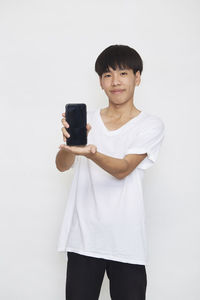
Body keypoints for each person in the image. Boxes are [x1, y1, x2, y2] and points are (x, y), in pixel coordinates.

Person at [55, 44, 165, 300]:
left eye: (123, 74)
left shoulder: (150, 125)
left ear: (137, 78)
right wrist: (72, 145)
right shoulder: (87, 120)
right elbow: (62, 165)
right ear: (101, 83)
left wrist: (91, 153)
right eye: (107, 75)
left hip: (126, 242)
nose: (115, 82)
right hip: (83, 239)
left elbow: (123, 169)